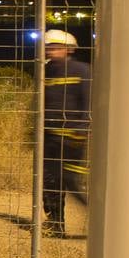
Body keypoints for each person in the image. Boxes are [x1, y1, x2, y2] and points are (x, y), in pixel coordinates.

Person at [42, 29, 91, 237]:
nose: (51, 51)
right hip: (49, 137)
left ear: (69, 49)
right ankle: (55, 224)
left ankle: (101, 218)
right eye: (48, 47)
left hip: (72, 139)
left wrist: (81, 130)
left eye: (56, 47)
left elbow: (88, 102)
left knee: (70, 183)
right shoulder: (46, 71)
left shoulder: (82, 71)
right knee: (49, 182)